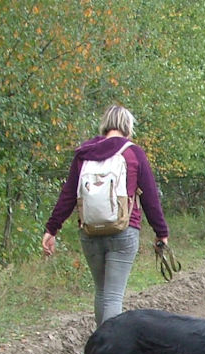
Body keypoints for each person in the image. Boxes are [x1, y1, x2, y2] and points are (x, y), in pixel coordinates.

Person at [42, 104, 170, 327]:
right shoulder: (133, 153)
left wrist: (52, 228)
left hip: (90, 231)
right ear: (127, 126)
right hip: (124, 230)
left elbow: (68, 194)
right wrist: (161, 233)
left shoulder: (84, 154)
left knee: (101, 292)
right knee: (113, 296)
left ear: (105, 125)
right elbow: (150, 197)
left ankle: (102, 349)